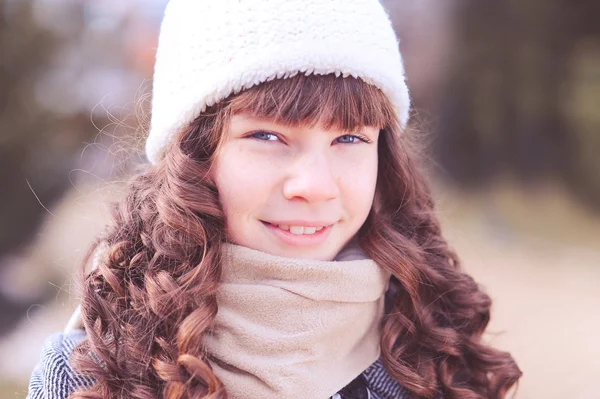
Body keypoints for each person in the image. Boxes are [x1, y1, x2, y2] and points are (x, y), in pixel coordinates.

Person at [26, 0, 522, 398]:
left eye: (349, 139)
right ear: (194, 155)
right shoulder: (94, 377)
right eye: (267, 137)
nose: (314, 185)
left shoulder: (435, 358)